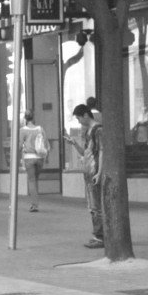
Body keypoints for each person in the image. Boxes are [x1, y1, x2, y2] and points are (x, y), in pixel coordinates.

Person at [65, 104, 103, 248]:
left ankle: (100, 236)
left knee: (96, 205)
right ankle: (97, 234)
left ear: (86, 115)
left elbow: (101, 151)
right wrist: (74, 144)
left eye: (79, 118)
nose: (79, 122)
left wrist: (99, 172)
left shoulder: (97, 130)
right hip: (89, 171)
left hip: (94, 171)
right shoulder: (89, 132)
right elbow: (86, 152)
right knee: (92, 206)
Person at [19, 111, 49, 212]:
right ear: (33, 118)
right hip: (40, 158)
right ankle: (35, 201)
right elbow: (46, 144)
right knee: (36, 180)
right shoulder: (40, 129)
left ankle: (34, 204)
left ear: (25, 119)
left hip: (29, 157)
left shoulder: (22, 130)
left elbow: (19, 146)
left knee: (31, 180)